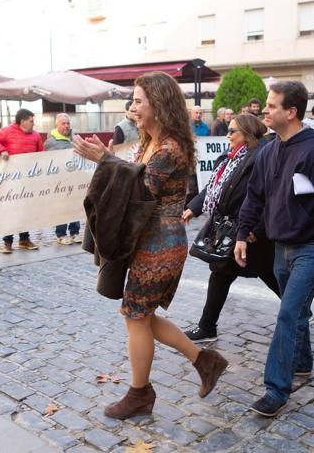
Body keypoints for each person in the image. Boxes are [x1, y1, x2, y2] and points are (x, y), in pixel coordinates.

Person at [73, 72, 228, 420]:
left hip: (161, 241)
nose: (133, 108)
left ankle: (140, 393)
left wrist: (105, 161)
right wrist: (112, 162)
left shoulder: (170, 147)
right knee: (138, 315)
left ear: (158, 104)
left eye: (139, 101)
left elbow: (141, 192)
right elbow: (131, 179)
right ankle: (204, 361)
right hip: (148, 238)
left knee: (135, 315)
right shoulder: (148, 142)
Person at [234, 81, 314, 417]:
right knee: (298, 311)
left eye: (272, 106)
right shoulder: (270, 150)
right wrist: (243, 233)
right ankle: (302, 363)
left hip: (313, 248)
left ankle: (276, 390)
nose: (264, 111)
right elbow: (255, 196)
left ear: (291, 112)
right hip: (280, 248)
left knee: (287, 314)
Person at [182, 114, 280, 342]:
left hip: (251, 231)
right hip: (233, 228)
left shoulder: (261, 157)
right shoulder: (230, 157)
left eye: (232, 131)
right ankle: (207, 327)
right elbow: (215, 185)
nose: (227, 135)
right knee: (224, 272)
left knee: (265, 272)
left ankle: (300, 310)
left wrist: (256, 228)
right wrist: (194, 207)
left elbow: (269, 197)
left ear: (246, 133)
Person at [0, 108, 44, 253]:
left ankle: (24, 239)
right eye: (31, 121)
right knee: (10, 210)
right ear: (22, 121)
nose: (33, 124)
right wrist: (2, 150)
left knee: (25, 209)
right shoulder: (7, 131)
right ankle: (7, 242)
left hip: (28, 179)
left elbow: (42, 155)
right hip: (11, 179)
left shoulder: (36, 136)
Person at [44, 113, 81, 245]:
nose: (66, 126)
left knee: (75, 204)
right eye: (63, 124)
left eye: (68, 123)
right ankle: (61, 234)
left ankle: (75, 232)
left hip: (74, 177)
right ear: (57, 125)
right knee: (62, 207)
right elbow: (47, 161)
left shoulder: (75, 137)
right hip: (60, 180)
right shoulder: (51, 141)